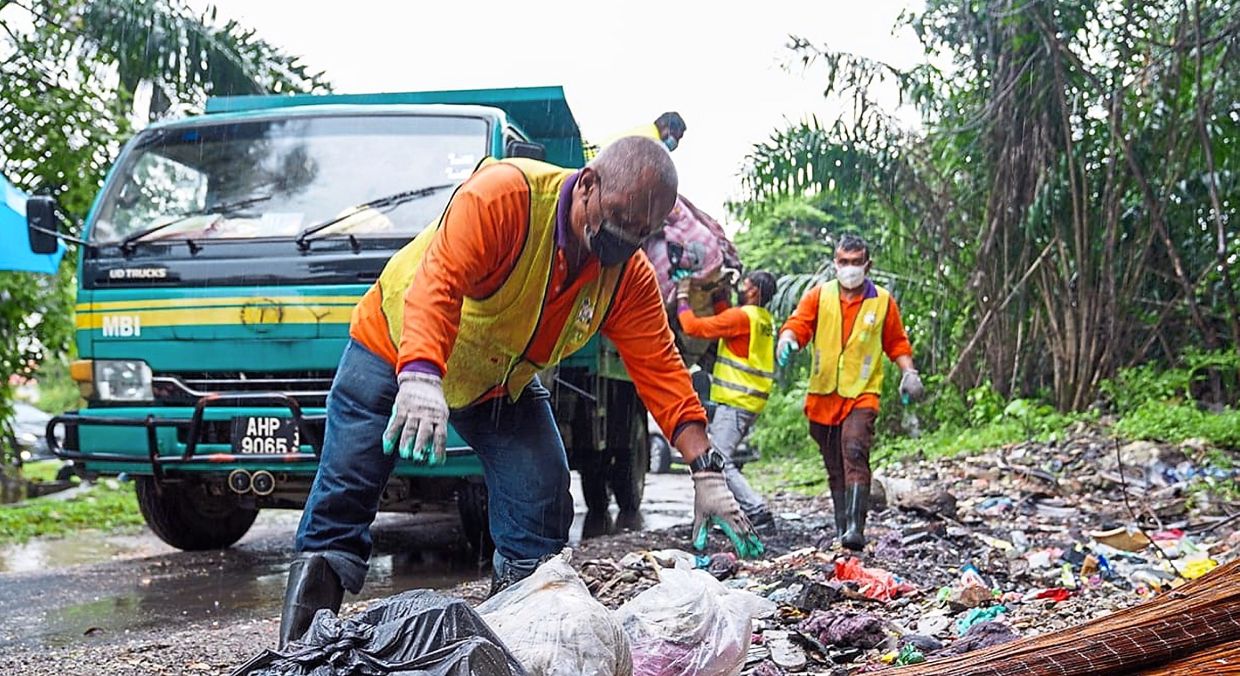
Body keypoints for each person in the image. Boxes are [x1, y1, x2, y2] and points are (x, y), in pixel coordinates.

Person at [279, 136, 763, 647]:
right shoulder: (506, 197)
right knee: (345, 490)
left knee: (542, 488)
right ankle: (298, 652)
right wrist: (420, 375)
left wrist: (705, 471)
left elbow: (661, 370)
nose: (624, 239)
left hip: (494, 382)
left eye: (642, 231)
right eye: (618, 218)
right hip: (394, 346)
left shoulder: (626, 276)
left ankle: (515, 638)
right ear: (589, 183)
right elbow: (437, 281)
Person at [776, 235, 923, 551]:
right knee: (834, 464)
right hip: (823, 393)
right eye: (844, 262)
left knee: (854, 449)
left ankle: (856, 529)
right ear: (835, 264)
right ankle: (842, 526)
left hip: (862, 392)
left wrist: (909, 372)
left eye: (857, 262)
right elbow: (798, 325)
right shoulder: (819, 296)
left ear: (868, 265)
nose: (850, 268)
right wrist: (787, 339)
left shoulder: (882, 301)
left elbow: (896, 341)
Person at [675, 270, 778, 531]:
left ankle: (757, 511)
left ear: (753, 291)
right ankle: (730, 511)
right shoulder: (762, 319)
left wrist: (683, 298)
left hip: (735, 400)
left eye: (746, 284)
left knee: (718, 460)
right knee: (720, 458)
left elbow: (693, 327)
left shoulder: (741, 318)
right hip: (749, 400)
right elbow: (726, 318)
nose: (742, 287)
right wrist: (720, 295)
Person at [584, 111, 687, 159]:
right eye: (675, 137)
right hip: (595, 162)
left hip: (591, 154)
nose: (675, 143)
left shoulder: (645, 130)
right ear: (665, 126)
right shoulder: (652, 143)